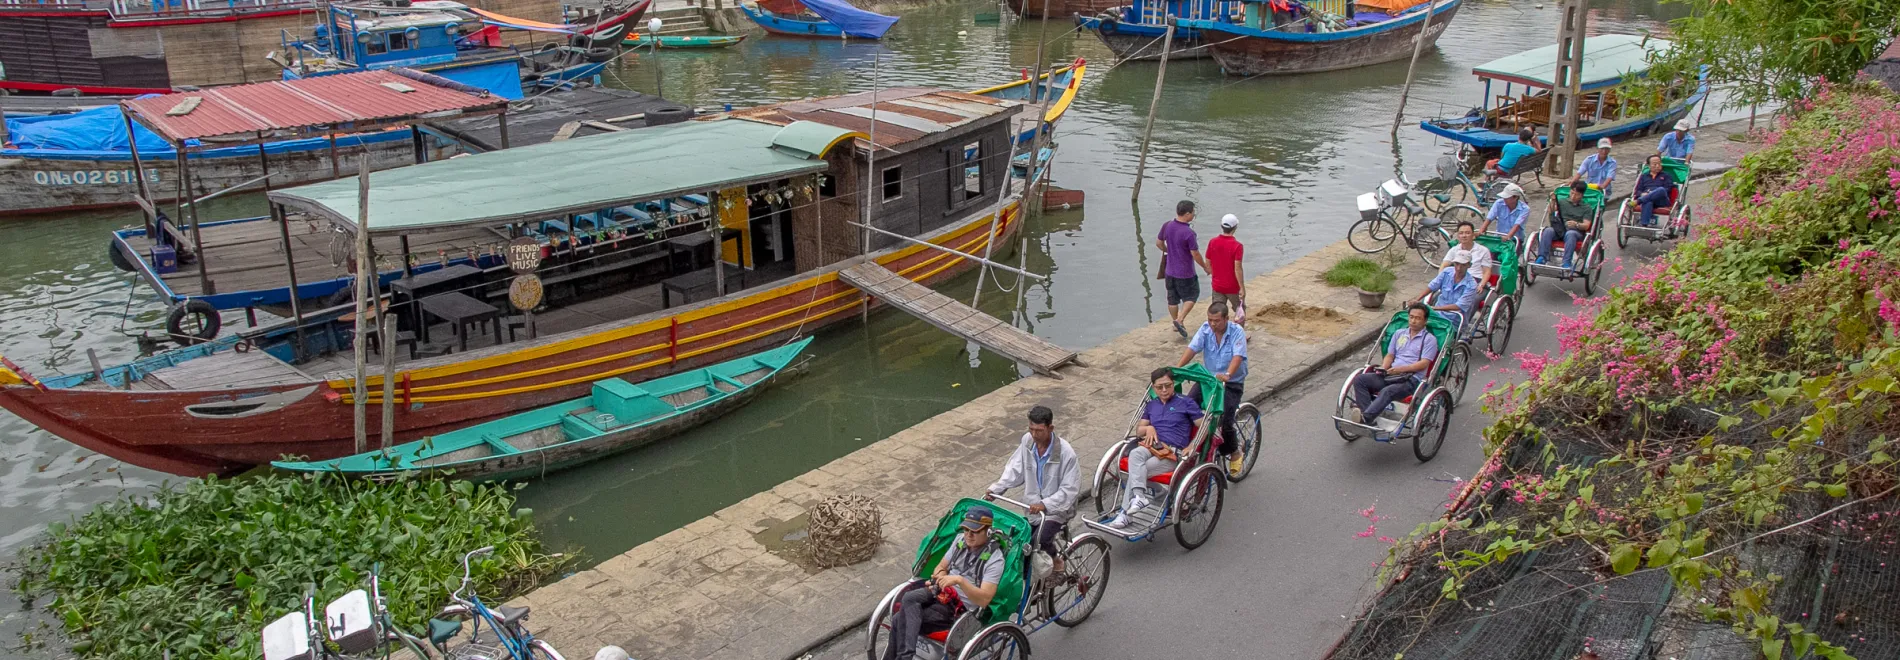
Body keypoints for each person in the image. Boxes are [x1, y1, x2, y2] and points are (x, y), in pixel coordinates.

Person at [883, 507, 1006, 660]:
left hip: (958, 608)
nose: (969, 535)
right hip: (941, 593)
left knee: (898, 619)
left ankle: (903, 657)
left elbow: (984, 599)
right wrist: (940, 577)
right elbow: (940, 568)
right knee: (909, 597)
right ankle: (906, 656)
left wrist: (959, 581)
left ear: (987, 531)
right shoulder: (960, 540)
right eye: (966, 529)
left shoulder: (995, 560)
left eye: (974, 531)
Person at [986, 405, 1079, 571]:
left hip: (1057, 510)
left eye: (1039, 430)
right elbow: (1016, 469)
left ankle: (1057, 561)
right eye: (1031, 429)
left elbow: (1069, 490)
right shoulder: (1027, 441)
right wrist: (997, 489)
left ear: (1050, 428)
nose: (1034, 435)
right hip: (1032, 508)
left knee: (1039, 541)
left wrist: (1045, 504)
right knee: (1020, 547)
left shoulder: (1066, 454)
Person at [1111, 367, 1204, 528]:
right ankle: (1141, 496)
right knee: (1136, 454)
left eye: (1167, 385)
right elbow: (1139, 430)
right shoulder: (1152, 405)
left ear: (1173, 384)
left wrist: (1192, 445)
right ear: (1153, 387)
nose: (1164, 390)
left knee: (1139, 470)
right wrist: (1149, 429)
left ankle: (1125, 513)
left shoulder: (1186, 402)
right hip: (1152, 446)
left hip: (1172, 453)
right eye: (1159, 387)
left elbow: (1203, 427)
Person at [1176, 302, 1248, 477]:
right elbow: (1192, 348)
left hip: (1230, 383)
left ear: (1226, 319)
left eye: (1217, 321)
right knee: (1186, 407)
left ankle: (1235, 452)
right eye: (1210, 320)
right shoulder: (1206, 329)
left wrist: (1228, 374)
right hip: (1208, 380)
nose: (1213, 324)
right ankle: (1190, 444)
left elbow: (1238, 357)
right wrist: (1176, 370)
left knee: (1224, 420)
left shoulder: (1237, 332)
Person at [1347, 303, 1439, 426]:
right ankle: (1366, 414)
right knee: (1360, 379)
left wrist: (1401, 369)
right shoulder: (1399, 334)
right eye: (1411, 317)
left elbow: (1424, 363)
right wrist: (1384, 368)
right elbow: (1390, 355)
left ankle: (1366, 418)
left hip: (1411, 379)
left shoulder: (1429, 340)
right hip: (1391, 374)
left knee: (1387, 391)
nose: (1413, 321)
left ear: (1425, 320)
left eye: (1418, 318)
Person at [1157, 200, 1210, 339]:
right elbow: (1195, 254)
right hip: (1185, 272)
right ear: (1187, 214)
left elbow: (1158, 243)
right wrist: (1205, 266)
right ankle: (1180, 320)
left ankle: (1175, 321)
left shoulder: (1167, 225)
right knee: (1192, 295)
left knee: (1172, 298)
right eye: (1193, 212)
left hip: (1169, 271)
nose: (1193, 215)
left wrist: (1170, 250)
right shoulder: (1189, 233)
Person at [1415, 251, 1482, 331]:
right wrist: (1417, 300)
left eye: (1463, 265)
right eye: (1457, 264)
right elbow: (1432, 286)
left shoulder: (1471, 285)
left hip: (1454, 321)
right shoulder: (1446, 272)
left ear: (1469, 265)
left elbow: (1458, 306)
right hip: (1436, 315)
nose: (1459, 268)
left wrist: (1435, 308)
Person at [1538, 185, 1594, 269]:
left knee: (1570, 234)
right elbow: (1551, 212)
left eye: (1576, 194)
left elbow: (1586, 225)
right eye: (1571, 193)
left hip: (1576, 232)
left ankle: (1566, 262)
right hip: (1560, 229)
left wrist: (1576, 224)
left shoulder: (1586, 208)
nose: (1573, 196)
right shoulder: (1563, 202)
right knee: (1548, 231)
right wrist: (1553, 200)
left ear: (1581, 195)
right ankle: (1542, 257)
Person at [1206, 214, 1246, 325]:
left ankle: (1218, 334)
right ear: (1235, 227)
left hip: (1217, 285)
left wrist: (1214, 276)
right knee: (1239, 311)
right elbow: (1237, 268)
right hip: (1232, 286)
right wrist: (1242, 288)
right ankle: (1238, 335)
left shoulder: (1212, 242)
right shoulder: (1237, 246)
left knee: (1217, 312)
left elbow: (1208, 263)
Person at [1440, 220, 1494, 291]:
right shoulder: (1454, 249)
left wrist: (1481, 285)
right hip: (1457, 279)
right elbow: (1444, 265)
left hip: (1475, 280)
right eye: (1461, 233)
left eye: (1467, 233)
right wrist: (1441, 280)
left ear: (1473, 235)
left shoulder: (1483, 250)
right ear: (1458, 236)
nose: (1464, 236)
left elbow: (1487, 271)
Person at [1631, 154, 1674, 228]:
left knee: (1661, 189)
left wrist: (1651, 193)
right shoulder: (1644, 176)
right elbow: (1638, 190)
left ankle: (1638, 201)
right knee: (1648, 201)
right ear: (1649, 166)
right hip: (1647, 198)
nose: (1657, 166)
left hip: (1661, 200)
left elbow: (1668, 189)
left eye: (1659, 163)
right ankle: (1644, 225)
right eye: (1654, 164)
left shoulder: (1667, 176)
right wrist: (1642, 194)